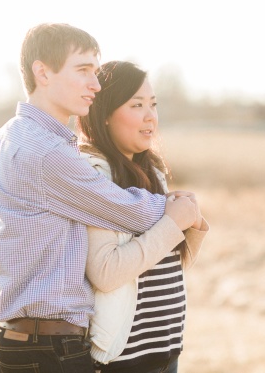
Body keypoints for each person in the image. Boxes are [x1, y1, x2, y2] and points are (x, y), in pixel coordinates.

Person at [0, 23, 198, 373]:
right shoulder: (49, 153)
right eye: (83, 70)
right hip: (48, 347)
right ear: (43, 72)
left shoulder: (5, 139)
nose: (95, 85)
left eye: (95, 73)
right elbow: (131, 214)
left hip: (18, 338)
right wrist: (178, 210)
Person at [76, 61, 209, 373]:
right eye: (136, 105)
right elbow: (106, 273)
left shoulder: (153, 173)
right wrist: (172, 223)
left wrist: (193, 226)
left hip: (165, 351)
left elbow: (163, 268)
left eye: (153, 104)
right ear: (105, 114)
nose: (151, 116)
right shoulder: (96, 177)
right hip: (124, 359)